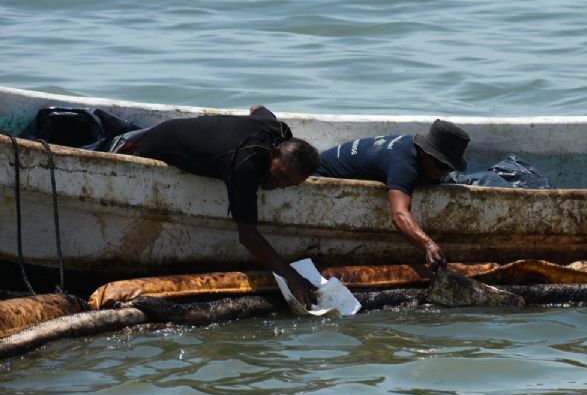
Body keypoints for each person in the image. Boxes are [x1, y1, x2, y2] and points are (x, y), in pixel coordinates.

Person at [117, 105, 321, 307]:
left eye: (290, 184)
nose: (281, 185)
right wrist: (292, 277)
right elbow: (248, 236)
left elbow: (257, 108)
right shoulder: (245, 165)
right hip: (153, 145)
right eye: (282, 175)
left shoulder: (280, 130)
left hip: (176, 128)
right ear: (274, 153)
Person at [315, 119, 470, 271]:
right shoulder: (404, 165)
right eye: (441, 165)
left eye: (449, 167)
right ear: (425, 152)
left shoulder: (410, 147)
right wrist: (428, 245)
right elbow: (399, 216)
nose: (443, 173)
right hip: (318, 178)